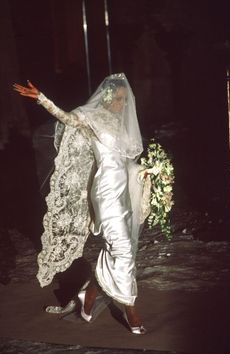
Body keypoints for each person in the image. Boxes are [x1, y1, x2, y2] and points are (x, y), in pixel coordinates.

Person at [13, 73, 150, 335]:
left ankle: (88, 295)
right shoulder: (91, 118)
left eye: (125, 99)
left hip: (124, 193)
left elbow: (125, 161)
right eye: (119, 98)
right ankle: (131, 309)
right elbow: (67, 118)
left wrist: (145, 170)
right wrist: (41, 98)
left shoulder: (121, 126)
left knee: (124, 251)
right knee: (121, 250)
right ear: (108, 97)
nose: (123, 104)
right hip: (106, 192)